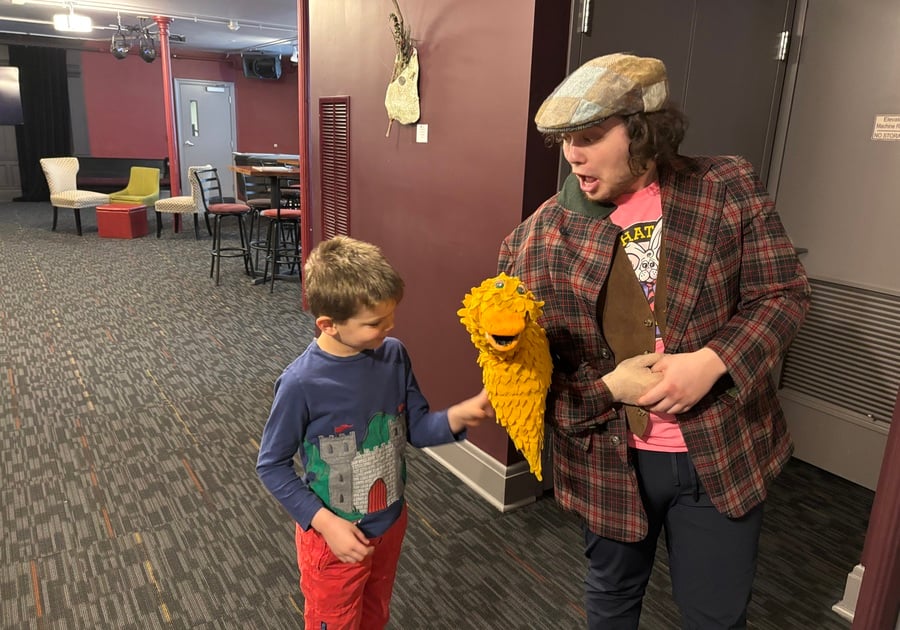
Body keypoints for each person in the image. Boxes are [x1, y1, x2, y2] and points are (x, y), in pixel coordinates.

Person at [498, 53, 810, 629]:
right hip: (606, 461)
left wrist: (714, 361)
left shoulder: (723, 188)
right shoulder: (535, 239)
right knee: (611, 602)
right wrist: (608, 388)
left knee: (716, 614)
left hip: (721, 449)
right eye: (566, 139)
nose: (573, 154)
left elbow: (784, 294)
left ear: (642, 132)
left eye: (590, 136)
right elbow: (522, 383)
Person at [257, 235, 493, 630]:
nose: (391, 326)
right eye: (375, 323)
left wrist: (458, 416)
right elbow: (272, 466)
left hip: (389, 523)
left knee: (374, 612)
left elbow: (415, 428)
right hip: (332, 538)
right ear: (328, 325)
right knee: (336, 621)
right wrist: (326, 524)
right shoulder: (300, 384)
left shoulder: (394, 355)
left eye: (390, 317)